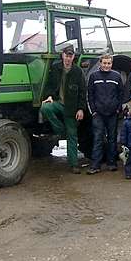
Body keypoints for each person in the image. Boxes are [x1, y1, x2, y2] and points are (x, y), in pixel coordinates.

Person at [40, 45, 86, 174]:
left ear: (73, 57)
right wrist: (49, 96)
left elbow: (83, 92)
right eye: (66, 55)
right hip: (58, 103)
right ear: (62, 56)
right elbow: (49, 85)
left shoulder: (78, 72)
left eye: (70, 56)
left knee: (73, 136)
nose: (68, 58)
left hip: (71, 108)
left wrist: (81, 109)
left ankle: (74, 164)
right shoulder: (55, 68)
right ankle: (61, 131)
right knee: (45, 107)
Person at [87, 53, 125, 175]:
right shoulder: (94, 76)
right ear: (100, 63)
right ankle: (95, 165)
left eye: (109, 63)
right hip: (98, 114)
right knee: (98, 138)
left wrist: (118, 108)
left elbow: (121, 94)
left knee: (112, 139)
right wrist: (93, 111)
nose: (107, 65)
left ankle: (112, 163)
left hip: (112, 113)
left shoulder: (116, 76)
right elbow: (90, 94)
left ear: (111, 63)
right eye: (104, 63)